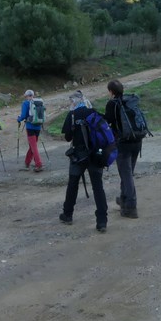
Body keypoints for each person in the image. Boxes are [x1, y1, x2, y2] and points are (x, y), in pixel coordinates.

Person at [60, 91, 108, 232]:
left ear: (73, 102)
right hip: (95, 155)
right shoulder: (93, 112)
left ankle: (68, 214)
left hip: (78, 156)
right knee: (98, 187)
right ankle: (102, 221)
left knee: (73, 184)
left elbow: (68, 137)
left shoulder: (72, 114)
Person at [104, 79, 140, 218]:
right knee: (128, 173)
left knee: (126, 175)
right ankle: (124, 198)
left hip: (123, 142)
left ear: (111, 91)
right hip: (137, 140)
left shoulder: (112, 104)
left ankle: (131, 207)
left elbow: (107, 121)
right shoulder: (130, 100)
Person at [17, 89, 43, 172]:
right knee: (32, 145)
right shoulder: (38, 102)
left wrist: (19, 119)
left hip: (30, 127)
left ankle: (38, 164)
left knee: (33, 146)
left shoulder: (25, 103)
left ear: (26, 96)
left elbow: (23, 115)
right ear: (33, 95)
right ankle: (27, 162)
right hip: (38, 126)